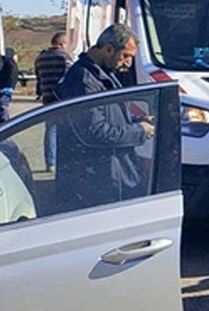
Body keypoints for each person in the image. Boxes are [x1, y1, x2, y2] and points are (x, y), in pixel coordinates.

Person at [53, 24, 154, 209]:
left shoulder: (104, 75)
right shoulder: (84, 80)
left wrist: (137, 121)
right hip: (95, 183)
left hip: (111, 175)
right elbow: (94, 131)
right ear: (108, 49)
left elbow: (110, 118)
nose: (129, 63)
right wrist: (139, 131)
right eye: (126, 56)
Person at [34, 32, 72, 171]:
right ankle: (64, 159)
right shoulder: (65, 57)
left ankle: (51, 162)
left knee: (51, 129)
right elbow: (70, 76)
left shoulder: (40, 58)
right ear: (62, 44)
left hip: (47, 96)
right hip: (62, 97)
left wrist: (40, 91)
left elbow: (38, 77)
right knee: (65, 128)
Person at [0, 39, 19, 127]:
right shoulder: (6, 60)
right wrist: (10, 87)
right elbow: (13, 73)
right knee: (2, 123)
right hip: (1, 94)